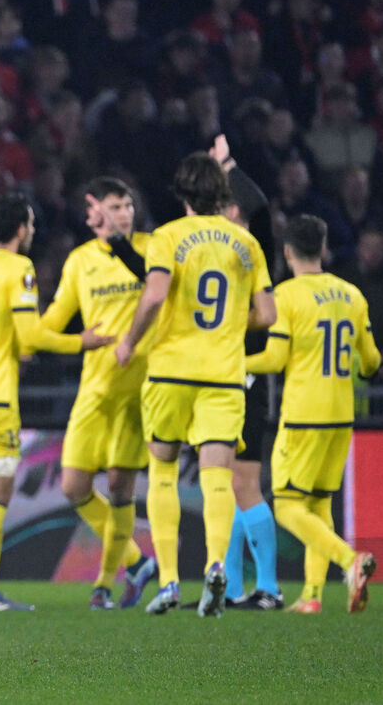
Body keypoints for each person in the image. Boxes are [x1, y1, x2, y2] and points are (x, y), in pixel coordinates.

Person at [114, 151, 275, 617]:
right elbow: (266, 315)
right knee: (217, 478)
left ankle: (166, 582)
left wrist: (129, 342)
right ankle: (215, 567)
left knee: (162, 473)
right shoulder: (246, 244)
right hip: (224, 377)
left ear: (183, 194)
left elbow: (156, 293)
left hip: (170, 372)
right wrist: (225, 324)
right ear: (221, 195)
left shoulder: (167, 236)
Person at [0, 191, 113, 612]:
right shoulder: (18, 268)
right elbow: (32, 335)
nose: (33, 231)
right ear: (20, 229)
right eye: (32, 224)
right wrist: (82, 341)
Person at [245, 215, 380, 614]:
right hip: (341, 415)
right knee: (319, 506)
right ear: (322, 249)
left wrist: (234, 360)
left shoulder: (286, 296)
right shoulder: (352, 295)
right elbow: (370, 362)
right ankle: (312, 595)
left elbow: (274, 358)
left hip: (304, 414)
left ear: (287, 252)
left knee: (287, 506)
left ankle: (349, 561)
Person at [37, 177, 157, 610]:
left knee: (122, 489)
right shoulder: (81, 261)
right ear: (94, 216)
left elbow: (161, 292)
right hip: (95, 388)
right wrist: (24, 335)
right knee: (73, 487)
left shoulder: (151, 248)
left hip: (138, 388)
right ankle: (137, 562)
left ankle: (104, 586)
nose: (122, 212)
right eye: (112, 206)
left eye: (126, 204)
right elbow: (57, 316)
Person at [211, 135, 283, 610]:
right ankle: (235, 589)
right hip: (221, 374)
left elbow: (259, 204)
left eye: (223, 206)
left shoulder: (252, 243)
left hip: (246, 378)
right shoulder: (220, 251)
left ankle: (270, 588)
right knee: (229, 483)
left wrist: (228, 166)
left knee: (244, 483)